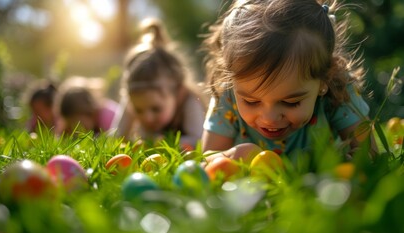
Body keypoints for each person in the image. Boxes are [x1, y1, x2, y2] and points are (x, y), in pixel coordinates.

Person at [201, 0, 377, 162]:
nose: (269, 118)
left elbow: (371, 155)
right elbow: (206, 159)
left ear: (324, 79)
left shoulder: (338, 88)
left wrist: (347, 164)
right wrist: (230, 156)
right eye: (251, 101)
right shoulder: (228, 94)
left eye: (291, 102)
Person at [115, 18, 207, 150]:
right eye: (138, 110)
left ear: (178, 93)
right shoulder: (135, 98)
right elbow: (117, 137)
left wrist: (158, 144)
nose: (147, 117)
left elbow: (199, 139)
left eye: (156, 109)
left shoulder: (189, 101)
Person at [54, 76, 122, 136]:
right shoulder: (68, 124)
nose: (75, 130)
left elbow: (118, 137)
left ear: (88, 111)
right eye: (71, 125)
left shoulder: (108, 116)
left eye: (76, 124)